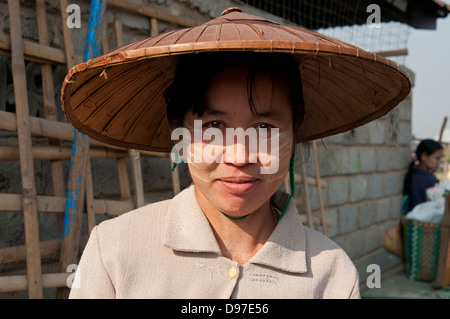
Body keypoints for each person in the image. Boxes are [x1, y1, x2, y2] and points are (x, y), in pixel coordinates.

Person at [61, 8, 411, 298]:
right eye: (213, 127)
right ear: (178, 130)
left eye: (264, 129)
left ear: (295, 129)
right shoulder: (116, 252)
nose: (240, 156)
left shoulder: (331, 274)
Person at [403, 139, 443, 212]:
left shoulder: (413, 173)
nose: (439, 162)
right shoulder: (428, 179)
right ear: (424, 156)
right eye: (437, 158)